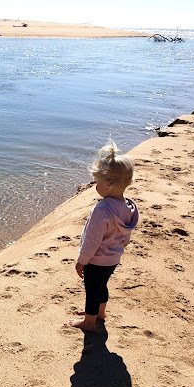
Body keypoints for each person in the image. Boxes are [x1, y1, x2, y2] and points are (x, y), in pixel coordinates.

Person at [70, 141, 139, 332]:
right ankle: (100, 314)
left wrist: (82, 261)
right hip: (113, 258)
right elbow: (126, 235)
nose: (95, 187)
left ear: (108, 184)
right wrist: (121, 247)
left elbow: (92, 240)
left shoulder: (102, 210)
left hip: (97, 260)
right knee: (102, 287)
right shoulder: (128, 206)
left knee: (92, 291)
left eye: (96, 183)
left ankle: (89, 323)